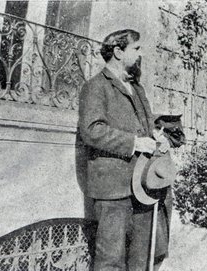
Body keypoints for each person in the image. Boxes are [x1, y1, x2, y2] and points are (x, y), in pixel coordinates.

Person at [78, 29, 171, 271]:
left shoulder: (137, 89)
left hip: (142, 186)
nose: (141, 54)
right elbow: (92, 130)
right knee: (111, 260)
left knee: (141, 258)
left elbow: (146, 127)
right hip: (112, 191)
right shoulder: (96, 87)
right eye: (136, 49)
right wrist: (134, 143)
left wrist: (157, 137)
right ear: (118, 52)